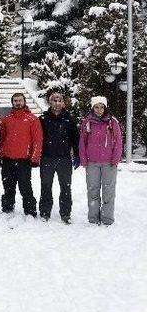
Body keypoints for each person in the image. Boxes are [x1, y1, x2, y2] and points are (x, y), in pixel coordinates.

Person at [79, 96, 123, 226]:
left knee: (108, 191)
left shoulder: (112, 122)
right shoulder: (87, 122)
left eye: (102, 107)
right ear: (92, 108)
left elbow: (118, 142)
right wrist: (84, 160)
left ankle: (107, 218)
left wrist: (115, 160)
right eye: (96, 107)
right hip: (92, 163)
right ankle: (93, 218)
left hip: (109, 163)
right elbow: (82, 142)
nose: (99, 110)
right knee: (93, 190)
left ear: (105, 107)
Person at [0, 93, 43, 217]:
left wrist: (34, 158)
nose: (18, 103)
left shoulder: (32, 119)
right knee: (8, 187)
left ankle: (30, 211)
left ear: (24, 101)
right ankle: (7, 209)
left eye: (20, 100)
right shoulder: (6, 119)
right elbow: (1, 138)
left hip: (24, 160)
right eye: (15, 101)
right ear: (12, 103)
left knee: (25, 188)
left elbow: (37, 140)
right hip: (8, 159)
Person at [38, 90, 80, 224]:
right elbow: (38, 139)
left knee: (65, 187)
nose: (57, 103)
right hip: (47, 158)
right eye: (54, 100)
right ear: (49, 102)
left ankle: (66, 213)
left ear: (63, 103)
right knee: (45, 186)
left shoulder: (69, 119)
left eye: (59, 100)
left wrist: (77, 154)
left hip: (64, 159)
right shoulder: (42, 119)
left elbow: (75, 138)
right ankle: (45, 212)